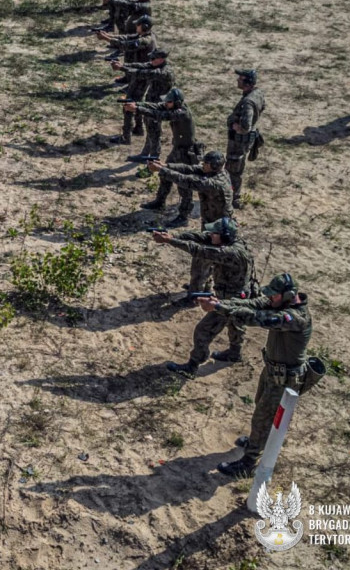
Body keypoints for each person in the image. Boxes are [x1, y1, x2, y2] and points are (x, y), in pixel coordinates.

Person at [197, 273, 312, 476]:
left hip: (285, 379)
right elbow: (255, 304)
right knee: (261, 407)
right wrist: (222, 303)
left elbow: (257, 318)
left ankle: (249, 463)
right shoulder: (282, 305)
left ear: (288, 296)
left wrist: (218, 308)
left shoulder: (294, 318)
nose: (270, 299)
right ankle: (256, 442)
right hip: (274, 372)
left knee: (264, 417)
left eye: (274, 296)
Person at [151, 217, 256, 373]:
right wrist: (173, 236)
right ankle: (235, 353)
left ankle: (193, 365)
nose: (210, 234)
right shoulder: (233, 241)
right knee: (235, 324)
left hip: (230, 300)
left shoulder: (230, 253)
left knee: (203, 331)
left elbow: (200, 250)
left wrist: (170, 241)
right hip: (240, 294)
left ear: (224, 236)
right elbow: (200, 237)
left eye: (215, 233)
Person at [127, 87, 199, 225]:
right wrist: (138, 104)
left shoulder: (181, 112)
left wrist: (138, 110)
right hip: (178, 149)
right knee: (164, 174)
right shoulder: (173, 107)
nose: (166, 104)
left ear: (176, 102)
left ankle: (184, 216)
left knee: (183, 185)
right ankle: (160, 201)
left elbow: (160, 115)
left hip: (186, 153)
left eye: (169, 102)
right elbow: (156, 106)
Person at [110, 44, 171, 154]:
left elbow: (143, 73)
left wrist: (122, 68)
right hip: (153, 101)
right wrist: (123, 65)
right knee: (150, 127)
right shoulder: (156, 66)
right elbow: (141, 66)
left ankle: (152, 156)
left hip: (159, 104)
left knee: (153, 129)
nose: (150, 60)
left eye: (153, 58)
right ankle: (147, 153)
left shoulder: (162, 72)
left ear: (161, 60)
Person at [226, 68, 265, 209]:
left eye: (240, 79)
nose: (237, 80)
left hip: (239, 142)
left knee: (234, 169)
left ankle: (232, 198)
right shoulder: (258, 93)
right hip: (246, 139)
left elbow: (246, 126)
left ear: (247, 83)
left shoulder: (248, 102)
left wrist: (236, 126)